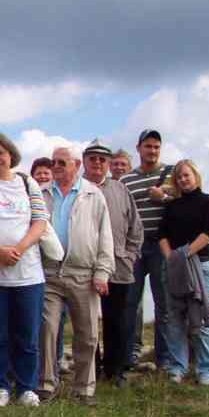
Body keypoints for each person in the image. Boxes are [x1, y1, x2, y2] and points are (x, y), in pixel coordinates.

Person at [0, 132, 48, 407]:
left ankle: (27, 387)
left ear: (10, 154)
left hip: (28, 275)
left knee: (27, 335)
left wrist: (20, 248)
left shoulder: (28, 184)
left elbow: (40, 221)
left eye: (0, 153)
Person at [38, 145, 114, 404]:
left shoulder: (94, 195)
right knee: (47, 328)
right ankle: (46, 384)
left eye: (62, 162)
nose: (56, 167)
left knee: (88, 333)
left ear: (76, 166)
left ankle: (84, 389)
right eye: (53, 162)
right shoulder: (41, 194)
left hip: (84, 274)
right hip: (49, 273)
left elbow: (106, 237)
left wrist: (102, 272)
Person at [83, 138, 142, 389]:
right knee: (87, 322)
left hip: (119, 267)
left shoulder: (120, 190)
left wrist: (129, 254)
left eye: (102, 159)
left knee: (117, 321)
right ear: (84, 161)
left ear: (108, 163)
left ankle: (115, 370)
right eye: (92, 158)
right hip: (85, 268)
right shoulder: (78, 188)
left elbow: (135, 228)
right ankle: (91, 368)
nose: (97, 162)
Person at [158, 160, 209, 386]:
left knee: (200, 319)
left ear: (195, 175)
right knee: (175, 319)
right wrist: (171, 258)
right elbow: (162, 234)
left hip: (199, 264)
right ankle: (177, 367)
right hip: (174, 266)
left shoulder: (208, 201)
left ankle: (206, 370)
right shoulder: (171, 206)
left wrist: (185, 254)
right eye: (179, 177)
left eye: (186, 175)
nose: (183, 180)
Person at [122, 129, 175, 368]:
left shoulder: (172, 175)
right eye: (148, 146)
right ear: (139, 148)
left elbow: (183, 205)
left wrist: (162, 197)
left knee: (164, 302)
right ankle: (132, 352)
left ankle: (163, 356)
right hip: (135, 247)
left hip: (161, 244)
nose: (152, 151)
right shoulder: (126, 180)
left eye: (156, 147)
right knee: (130, 302)